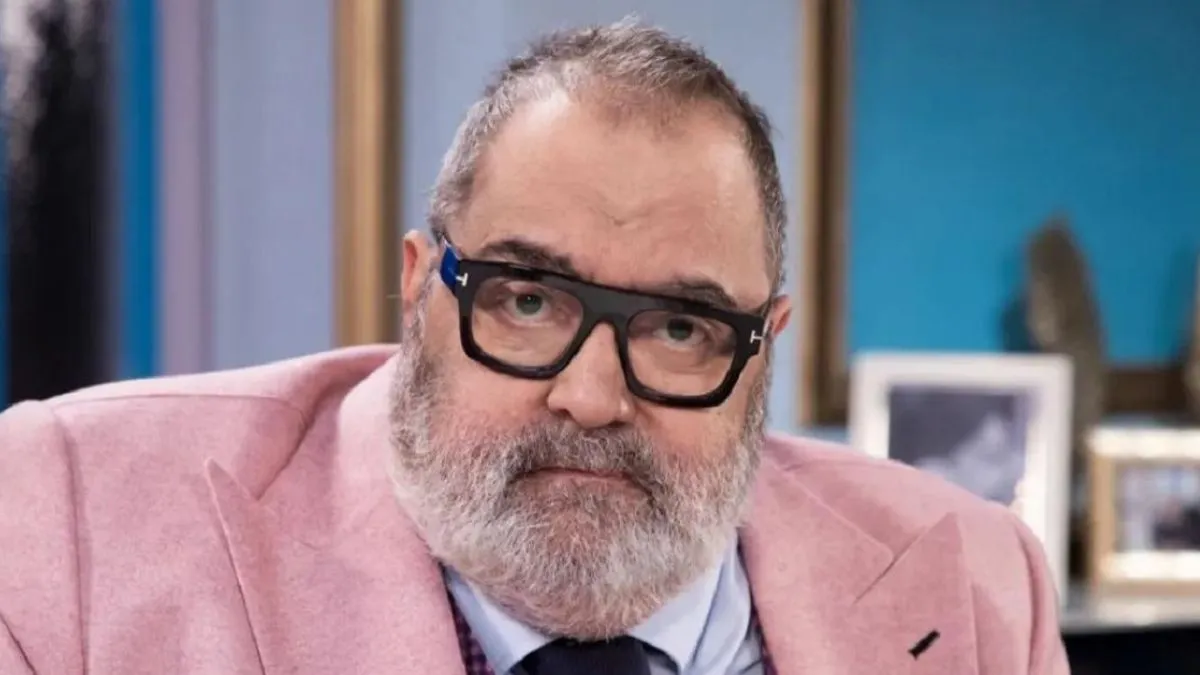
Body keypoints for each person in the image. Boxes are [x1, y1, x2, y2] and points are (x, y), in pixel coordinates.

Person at [0, 20, 1068, 675]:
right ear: (420, 286)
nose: (592, 396)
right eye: (526, 301)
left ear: (764, 348)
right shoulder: (68, 517)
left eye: (682, 327)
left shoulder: (975, 583)